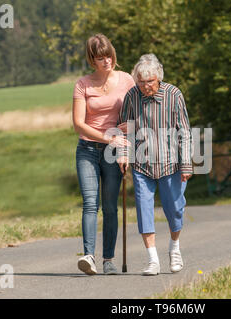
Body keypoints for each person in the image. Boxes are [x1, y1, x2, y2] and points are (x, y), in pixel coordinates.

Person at [117, 54, 192, 276]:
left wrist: (186, 163)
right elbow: (123, 129)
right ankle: (152, 260)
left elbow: (184, 131)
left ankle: (174, 248)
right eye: (141, 82)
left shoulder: (174, 94)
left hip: (171, 163)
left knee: (175, 209)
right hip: (142, 164)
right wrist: (122, 154)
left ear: (158, 78)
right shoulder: (132, 96)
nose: (145, 87)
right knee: (143, 210)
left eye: (149, 82)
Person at [73, 34, 135, 275]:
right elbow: (78, 124)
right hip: (87, 150)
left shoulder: (127, 80)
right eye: (101, 57)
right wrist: (108, 137)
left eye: (108, 55)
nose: (107, 60)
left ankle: (108, 260)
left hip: (115, 152)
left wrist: (125, 146)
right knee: (90, 204)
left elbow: (134, 114)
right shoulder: (83, 84)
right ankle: (89, 256)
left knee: (110, 207)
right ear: (92, 60)